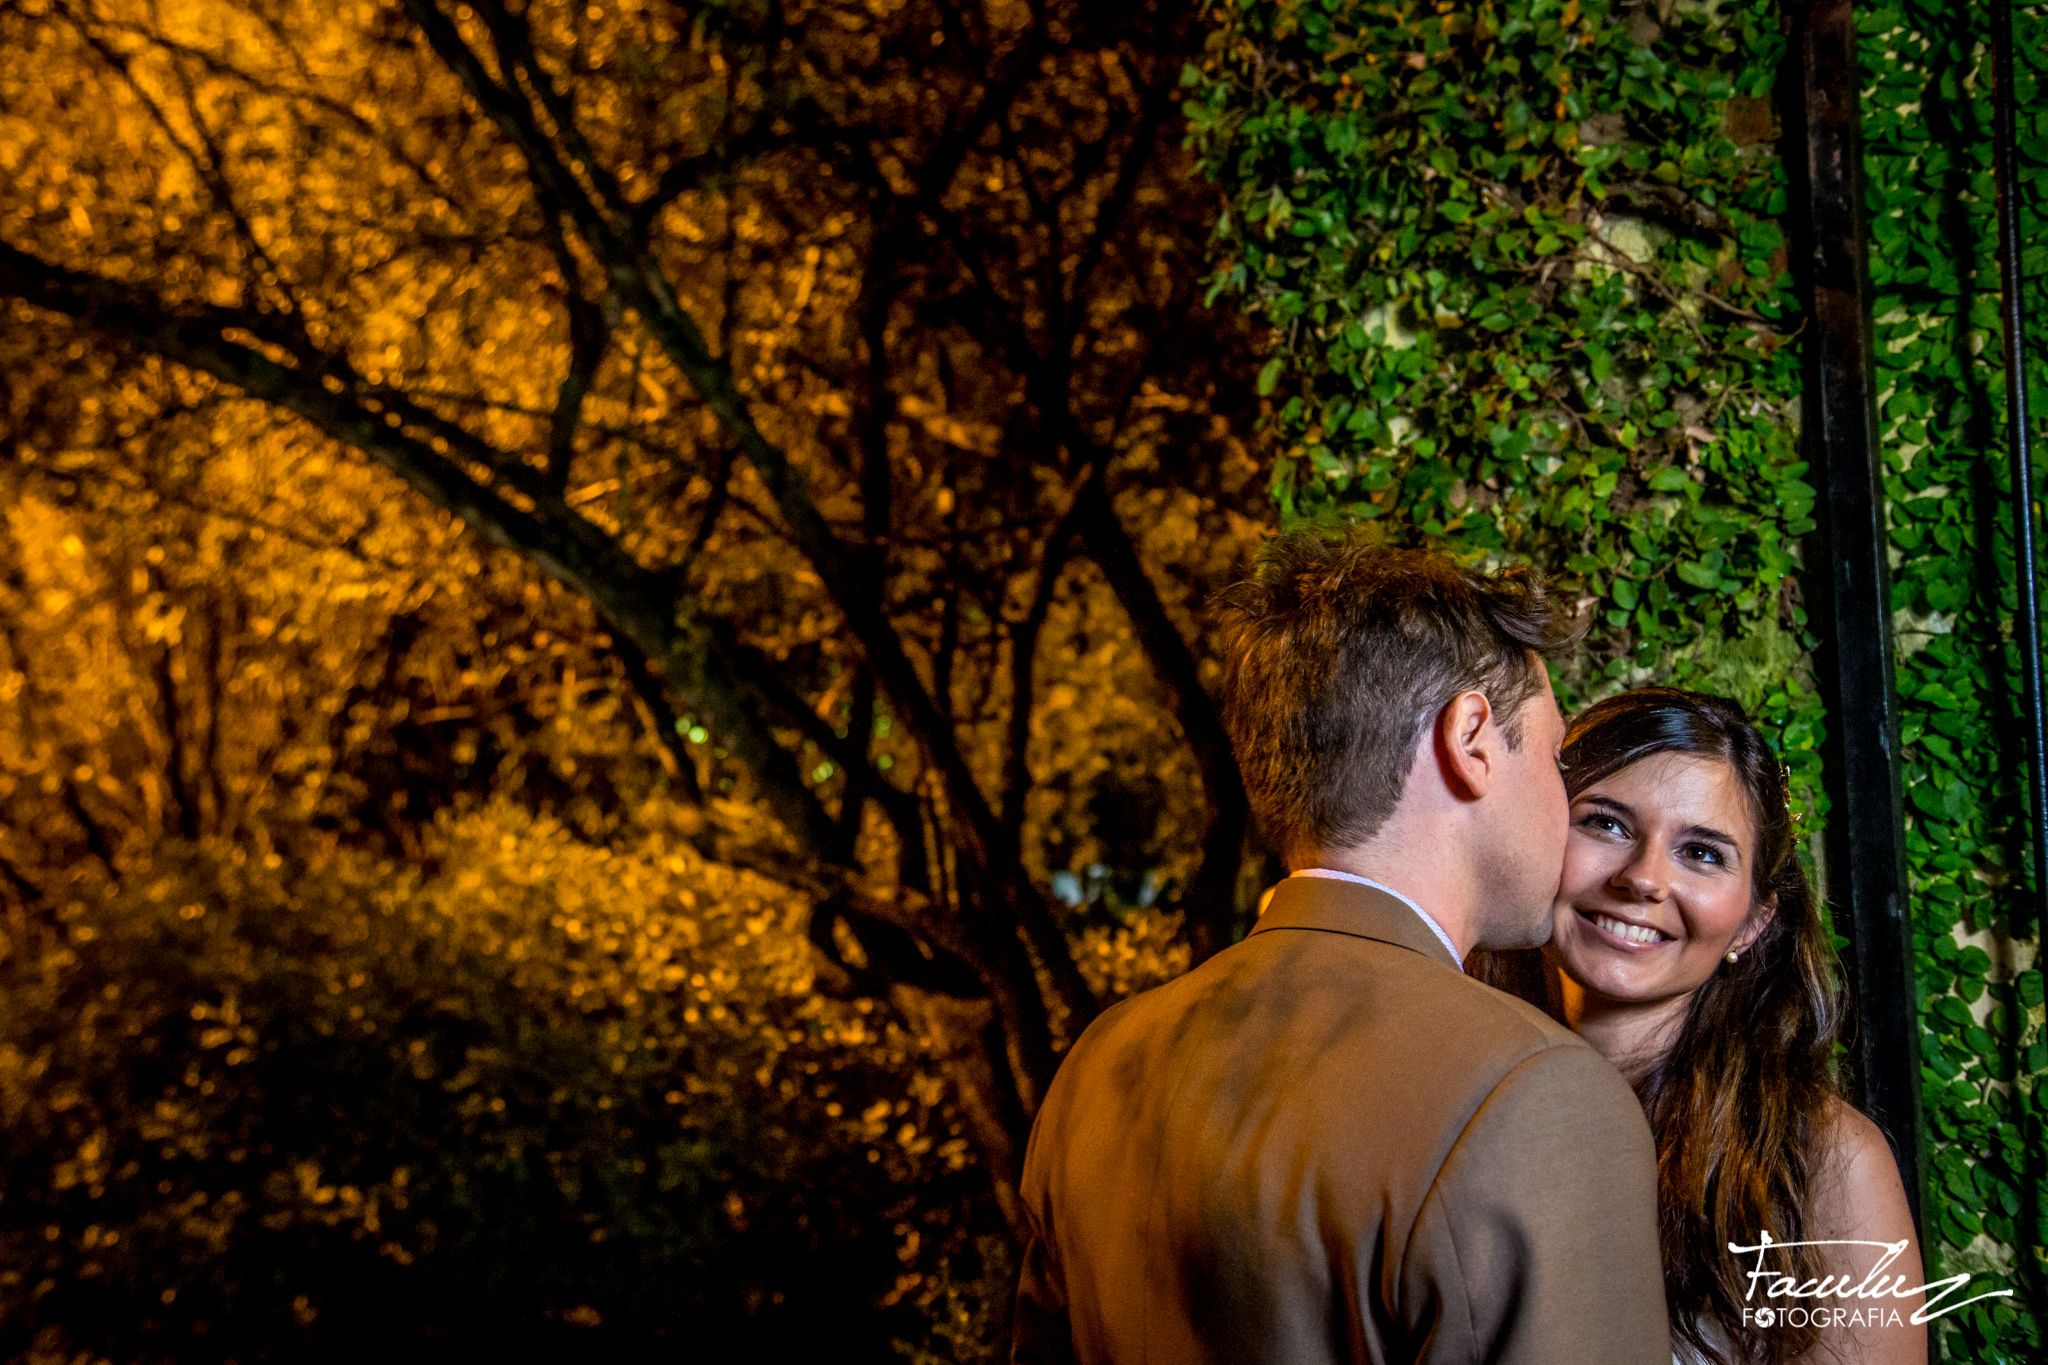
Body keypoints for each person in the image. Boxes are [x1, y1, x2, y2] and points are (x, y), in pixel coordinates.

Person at [1011, 536, 1671, 1365]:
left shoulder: (1100, 1062)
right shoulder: (1532, 1094)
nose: (1564, 794)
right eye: (1550, 750)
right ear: (1470, 741)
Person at [1481, 687, 1926, 1364]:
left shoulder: (1827, 1164)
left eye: (1704, 853)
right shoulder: (1455, 1089)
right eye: (1606, 824)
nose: (1644, 879)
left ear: (1752, 922)